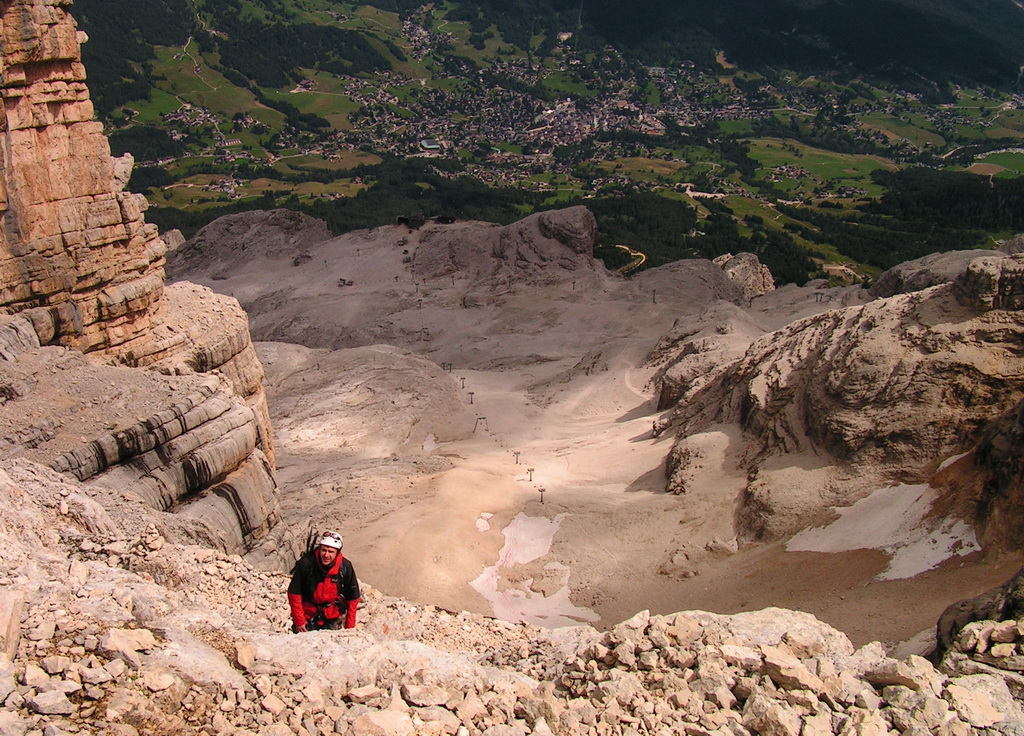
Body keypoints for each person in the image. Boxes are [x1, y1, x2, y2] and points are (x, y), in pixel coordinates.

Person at [287, 531, 360, 632]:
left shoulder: (345, 567)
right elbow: (294, 593)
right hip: (307, 615)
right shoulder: (306, 564)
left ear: (337, 553)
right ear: (319, 549)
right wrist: (299, 621)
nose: (326, 555)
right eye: (324, 550)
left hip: (332, 615)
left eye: (330, 551)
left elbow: (353, 597)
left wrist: (349, 627)